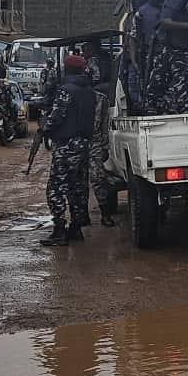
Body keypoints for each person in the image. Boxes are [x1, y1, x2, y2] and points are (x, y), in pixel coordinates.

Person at [41, 54, 95, 246]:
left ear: (66, 69)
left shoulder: (65, 90)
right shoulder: (90, 91)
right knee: (78, 187)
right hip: (84, 144)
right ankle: (76, 228)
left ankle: (59, 230)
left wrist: (45, 129)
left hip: (66, 144)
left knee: (56, 186)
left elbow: (56, 116)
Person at [89, 88, 117, 227]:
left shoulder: (101, 99)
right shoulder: (66, 94)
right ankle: (78, 219)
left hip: (95, 143)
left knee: (98, 178)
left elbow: (105, 124)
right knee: (76, 182)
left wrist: (105, 146)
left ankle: (106, 214)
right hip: (75, 143)